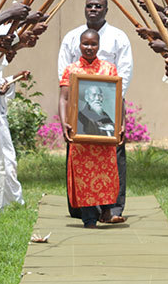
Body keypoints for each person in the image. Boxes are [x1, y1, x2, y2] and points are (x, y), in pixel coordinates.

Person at [58, 0, 132, 222]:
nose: (93, 9)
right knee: (78, 159)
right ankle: (81, 208)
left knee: (112, 159)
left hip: (108, 111)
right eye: (89, 5)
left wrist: (113, 109)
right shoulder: (71, 37)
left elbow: (124, 74)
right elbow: (65, 77)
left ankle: (113, 209)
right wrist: (69, 116)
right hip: (79, 114)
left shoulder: (119, 38)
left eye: (98, 6)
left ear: (105, 10)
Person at [59, 29, 121, 228]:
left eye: (93, 44)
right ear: (79, 45)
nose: (89, 48)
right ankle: (89, 218)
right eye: (85, 44)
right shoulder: (71, 69)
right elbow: (64, 98)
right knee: (84, 176)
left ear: (99, 45)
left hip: (104, 136)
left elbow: (117, 99)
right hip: (80, 134)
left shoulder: (109, 69)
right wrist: (64, 122)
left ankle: (106, 211)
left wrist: (121, 125)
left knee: (106, 173)